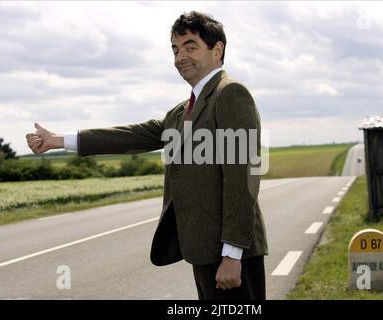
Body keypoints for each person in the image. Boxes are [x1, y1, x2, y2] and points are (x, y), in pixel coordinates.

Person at [26, 11, 268, 300]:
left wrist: (232, 254)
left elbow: (243, 177)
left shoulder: (231, 93)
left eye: (191, 47)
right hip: (204, 251)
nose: (181, 57)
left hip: (229, 255)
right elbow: (133, 135)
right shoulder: (183, 110)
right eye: (176, 50)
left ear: (217, 50)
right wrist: (58, 140)